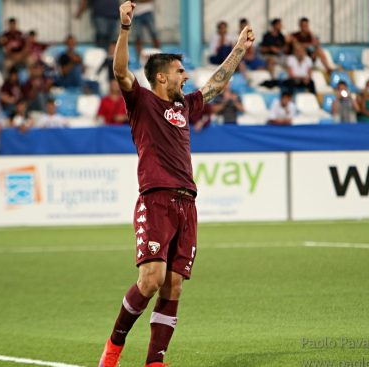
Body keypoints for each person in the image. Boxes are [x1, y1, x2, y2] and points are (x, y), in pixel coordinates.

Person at [97, 2, 255, 367]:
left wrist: (239, 50)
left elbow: (215, 85)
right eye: (181, 71)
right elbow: (120, 70)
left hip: (187, 203)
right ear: (163, 77)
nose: (187, 77)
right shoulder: (142, 102)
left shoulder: (185, 107)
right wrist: (124, 27)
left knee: (173, 286)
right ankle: (113, 349)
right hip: (156, 200)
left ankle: (155, 362)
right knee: (150, 278)